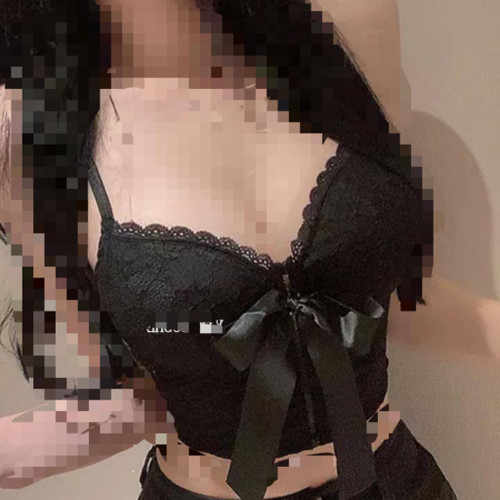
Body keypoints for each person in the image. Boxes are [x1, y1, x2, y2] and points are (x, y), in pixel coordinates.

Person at [5, 0, 496, 498]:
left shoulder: (349, 17)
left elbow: (390, 294)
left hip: (399, 482)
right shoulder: (26, 131)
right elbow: (139, 400)